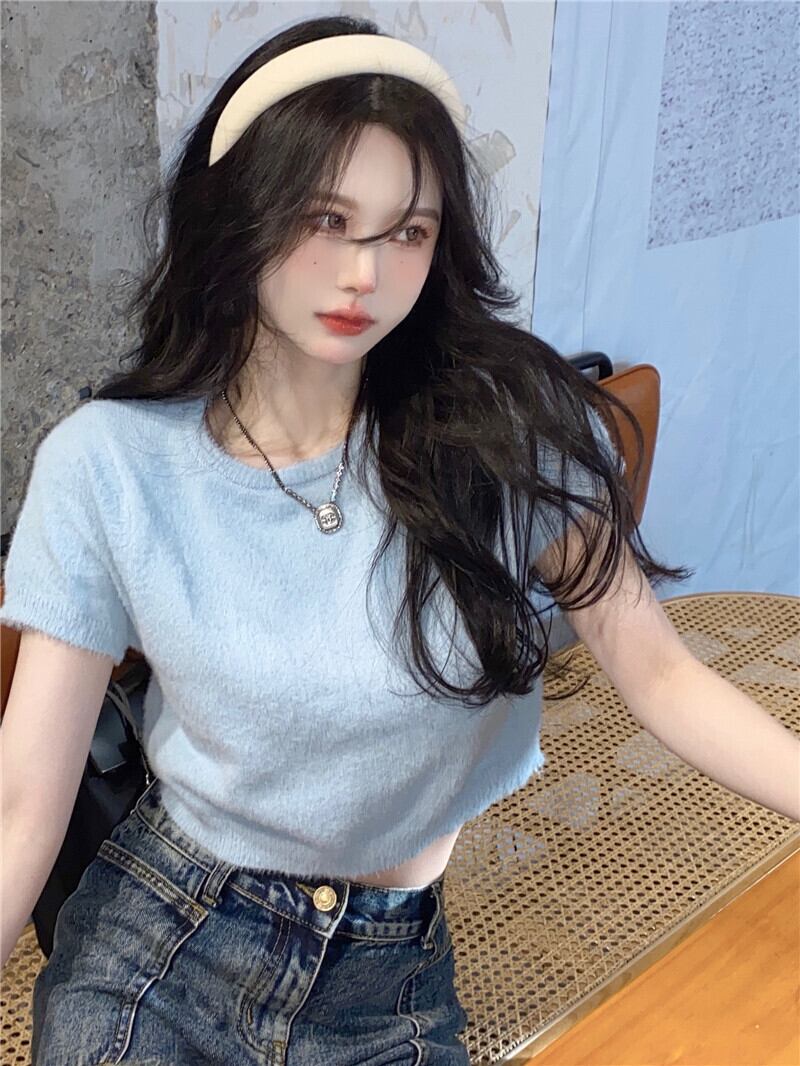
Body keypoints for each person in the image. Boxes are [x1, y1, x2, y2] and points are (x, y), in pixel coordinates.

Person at [6, 13, 797, 1066]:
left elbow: (660, 674)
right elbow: (21, 810)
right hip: (165, 945)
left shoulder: (497, 438)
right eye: (325, 218)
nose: (362, 274)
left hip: (386, 982)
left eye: (406, 232)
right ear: (238, 212)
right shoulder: (108, 466)